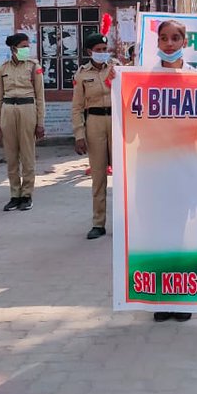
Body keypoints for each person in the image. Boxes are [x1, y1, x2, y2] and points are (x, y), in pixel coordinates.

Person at [145, 19, 195, 323]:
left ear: (184, 42)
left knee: (182, 234)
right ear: (158, 43)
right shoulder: (144, 79)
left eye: (176, 38)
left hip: (187, 166)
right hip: (154, 167)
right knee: (159, 233)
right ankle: (161, 298)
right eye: (164, 38)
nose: (170, 43)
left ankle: (182, 296)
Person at [0, 32, 46, 212]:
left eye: (27, 46)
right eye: (23, 46)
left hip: (27, 108)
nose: (26, 49)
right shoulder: (2, 69)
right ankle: (14, 194)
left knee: (27, 154)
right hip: (8, 110)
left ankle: (27, 194)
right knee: (10, 156)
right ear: (13, 48)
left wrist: (40, 122)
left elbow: (40, 97)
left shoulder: (33, 67)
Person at [71, 32, 115, 239]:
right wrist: (79, 134)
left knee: (123, 175)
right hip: (95, 122)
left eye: (105, 50)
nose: (103, 54)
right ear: (90, 52)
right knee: (98, 175)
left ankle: (125, 221)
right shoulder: (81, 75)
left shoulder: (117, 68)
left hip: (117, 121)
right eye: (98, 51)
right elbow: (77, 107)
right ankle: (98, 223)